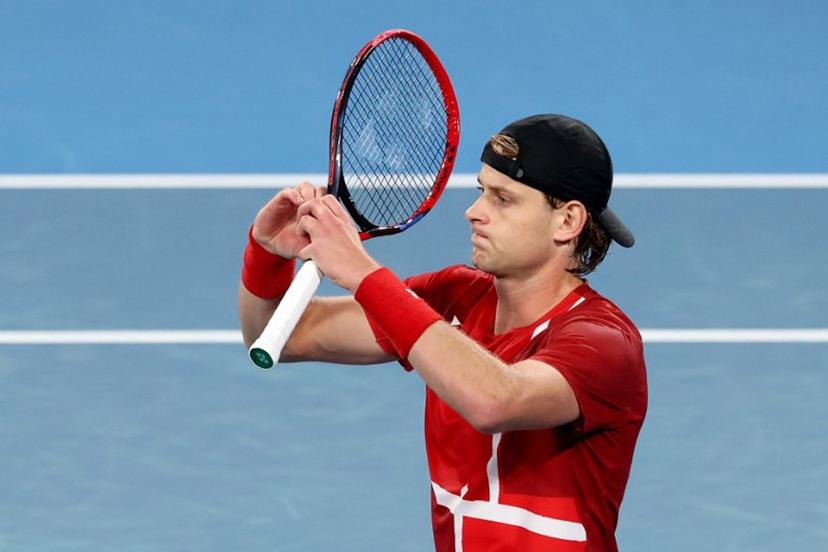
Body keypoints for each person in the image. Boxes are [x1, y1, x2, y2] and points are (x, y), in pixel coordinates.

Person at [238, 114, 648, 551]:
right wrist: (266, 254)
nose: (474, 212)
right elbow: (280, 332)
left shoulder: (604, 341)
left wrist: (363, 273)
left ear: (567, 221)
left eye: (503, 199)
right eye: (481, 192)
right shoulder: (454, 297)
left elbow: (497, 400)